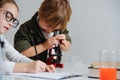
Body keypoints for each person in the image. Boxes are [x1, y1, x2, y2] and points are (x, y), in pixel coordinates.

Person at [0, 0, 55, 73]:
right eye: (8, 16)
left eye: (13, 20)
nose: (10, 23)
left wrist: (39, 65)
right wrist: (26, 67)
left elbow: (16, 57)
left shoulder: (1, 39)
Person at [14, 0, 72, 65]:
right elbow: (22, 52)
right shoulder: (26, 28)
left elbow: (68, 42)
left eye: (55, 29)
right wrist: (44, 46)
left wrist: (65, 44)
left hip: (52, 68)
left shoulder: (59, 29)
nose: (50, 30)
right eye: (48, 26)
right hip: (29, 69)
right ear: (40, 13)